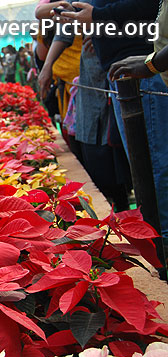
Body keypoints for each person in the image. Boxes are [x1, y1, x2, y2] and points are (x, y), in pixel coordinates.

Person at [62, 0, 168, 252]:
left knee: (155, 164)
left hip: (144, 73)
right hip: (136, 69)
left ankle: (162, 243)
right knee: (146, 165)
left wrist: (99, 17)